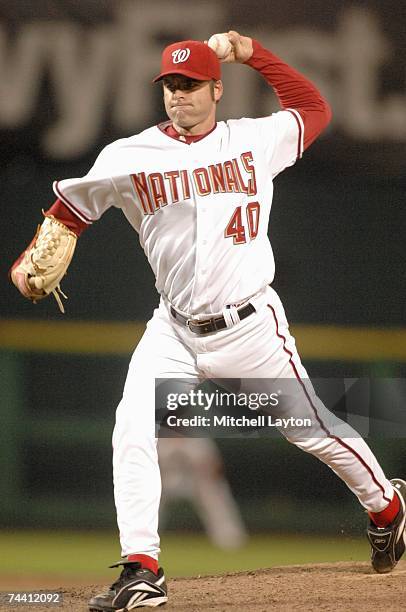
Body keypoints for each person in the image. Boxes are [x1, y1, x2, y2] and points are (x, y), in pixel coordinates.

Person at [10, 30, 406, 611]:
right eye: (171, 85)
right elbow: (70, 210)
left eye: (191, 85)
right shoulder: (129, 155)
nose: (179, 96)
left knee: (310, 429)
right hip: (172, 328)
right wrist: (33, 253)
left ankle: (389, 508)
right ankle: (142, 569)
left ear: (217, 90)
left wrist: (253, 54)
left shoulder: (255, 140)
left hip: (250, 328)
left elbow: (316, 108)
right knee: (132, 427)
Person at [158, 437, 248, 550]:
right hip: (167, 479)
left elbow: (214, 466)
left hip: (197, 481)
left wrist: (212, 479)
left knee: (214, 493)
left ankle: (229, 538)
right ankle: (141, 539)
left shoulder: (199, 441)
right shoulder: (158, 442)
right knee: (149, 496)